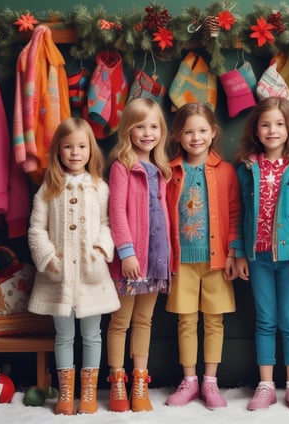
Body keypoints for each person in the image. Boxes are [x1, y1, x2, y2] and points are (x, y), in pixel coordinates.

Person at [27, 117, 120, 415]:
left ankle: (88, 393)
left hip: (91, 275)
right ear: (58, 151)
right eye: (68, 147)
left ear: (91, 150)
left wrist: (99, 250)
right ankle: (66, 392)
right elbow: (36, 229)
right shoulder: (48, 188)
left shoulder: (99, 187)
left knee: (93, 335)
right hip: (59, 276)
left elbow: (107, 224)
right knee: (64, 335)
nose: (75, 153)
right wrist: (49, 258)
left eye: (81, 147)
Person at [234, 96, 289, 413]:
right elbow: (239, 212)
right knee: (265, 321)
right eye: (266, 124)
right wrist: (240, 253)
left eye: (279, 124)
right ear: (256, 129)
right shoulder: (247, 168)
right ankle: (266, 385)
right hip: (258, 258)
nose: (272, 130)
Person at [165, 102, 240, 410]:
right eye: (188, 132)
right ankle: (189, 380)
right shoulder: (169, 171)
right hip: (181, 260)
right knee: (186, 321)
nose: (196, 137)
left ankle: (210, 381)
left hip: (217, 260)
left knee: (214, 321)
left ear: (213, 133)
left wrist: (234, 252)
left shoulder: (225, 171)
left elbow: (234, 213)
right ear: (178, 136)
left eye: (202, 131)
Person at [106, 98, 172, 412]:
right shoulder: (122, 166)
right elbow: (117, 212)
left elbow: (162, 217)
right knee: (120, 321)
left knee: (144, 321)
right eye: (140, 126)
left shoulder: (160, 169)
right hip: (131, 260)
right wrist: (127, 252)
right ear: (128, 130)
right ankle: (117, 380)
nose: (148, 133)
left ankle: (140, 381)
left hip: (156, 258)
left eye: (154, 126)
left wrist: (168, 256)